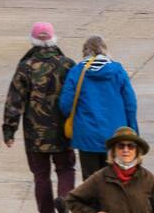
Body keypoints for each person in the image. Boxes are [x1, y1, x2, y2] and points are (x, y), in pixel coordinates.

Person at [3, 22, 76, 213]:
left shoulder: (26, 66)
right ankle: (64, 198)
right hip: (63, 130)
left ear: (33, 40)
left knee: (41, 174)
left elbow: (14, 101)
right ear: (54, 39)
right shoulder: (68, 64)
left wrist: (9, 130)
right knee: (66, 168)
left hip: (35, 132)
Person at [58, 37, 137, 179]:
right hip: (115, 135)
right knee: (114, 180)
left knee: (90, 183)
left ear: (85, 52)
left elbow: (65, 104)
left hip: (87, 136)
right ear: (104, 50)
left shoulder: (77, 71)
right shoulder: (117, 70)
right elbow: (130, 104)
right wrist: (133, 130)